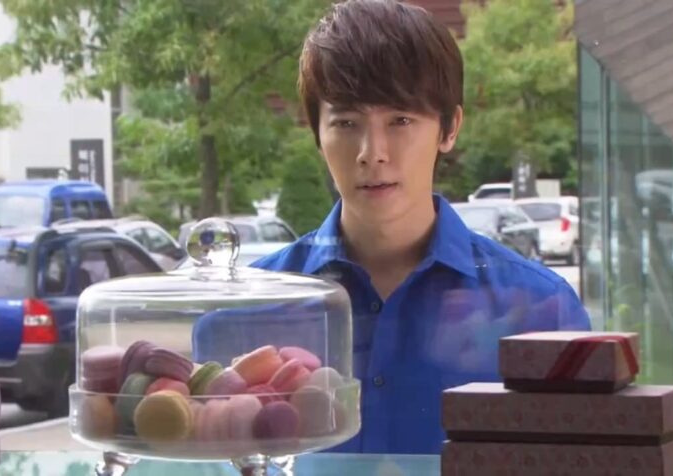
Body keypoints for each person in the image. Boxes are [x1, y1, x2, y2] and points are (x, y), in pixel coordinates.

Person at [251, 0, 591, 454]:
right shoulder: (252, 309)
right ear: (317, 132)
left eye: (401, 120)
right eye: (347, 123)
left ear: (449, 129)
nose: (372, 152)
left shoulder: (542, 312)